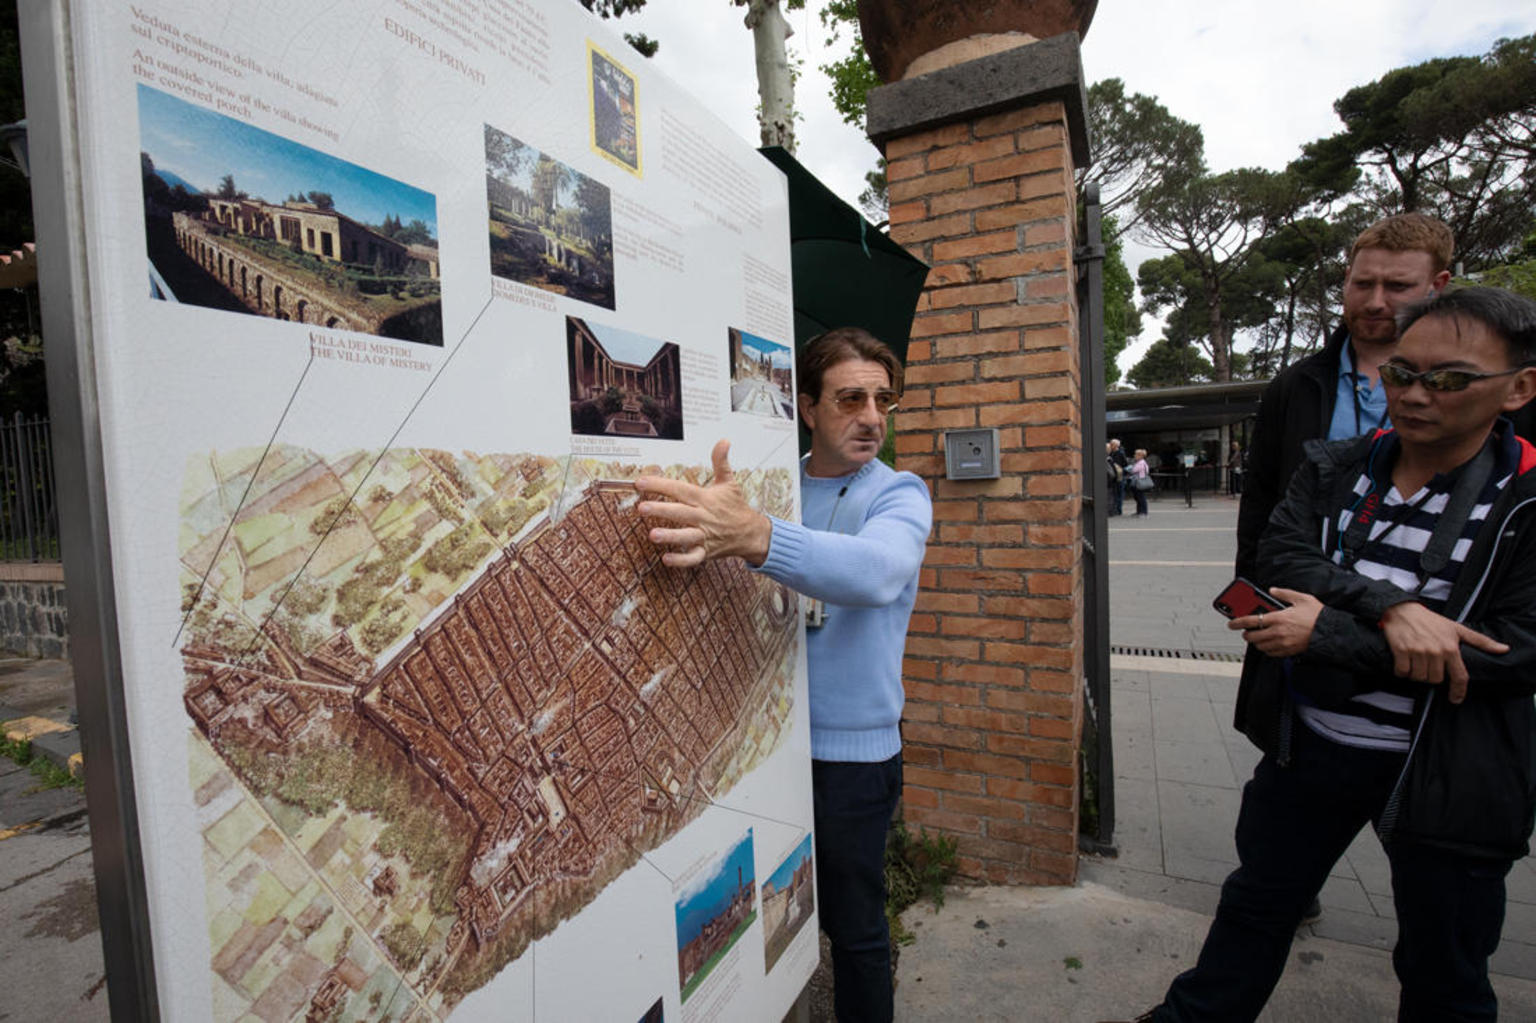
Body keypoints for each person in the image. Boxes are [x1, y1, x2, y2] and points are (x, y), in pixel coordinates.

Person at [1118, 287, 1536, 1022]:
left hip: (1447, 769)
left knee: (1445, 968)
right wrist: (1394, 609)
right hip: (1310, 746)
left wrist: (1332, 632)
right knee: (1254, 909)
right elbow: (1282, 552)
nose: (1415, 394)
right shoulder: (1340, 465)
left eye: (1449, 379)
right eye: (1402, 373)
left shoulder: (1526, 501)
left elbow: (1511, 651)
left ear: (1520, 387)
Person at [633, 327, 932, 1023]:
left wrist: (755, 535)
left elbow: (878, 571)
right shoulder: (773, 484)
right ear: (805, 406)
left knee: (855, 935)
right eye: (850, 398)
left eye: (882, 400)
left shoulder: (900, 494)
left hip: (852, 764)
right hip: (768, 749)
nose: (872, 417)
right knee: (770, 923)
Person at [1236, 213, 1454, 580]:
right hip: (1302, 599)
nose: (1375, 302)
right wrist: (1253, 597)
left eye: (1398, 286)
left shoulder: (1473, 386)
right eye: (1363, 284)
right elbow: (1260, 506)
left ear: (1438, 285)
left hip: (1420, 612)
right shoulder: (1295, 385)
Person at [1109, 438, 1129, 515]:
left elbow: (1125, 464)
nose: (1110, 446)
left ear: (1116, 445)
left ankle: (1119, 510)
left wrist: (1118, 467)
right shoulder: (1111, 453)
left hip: (1120, 476)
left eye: (1112, 444)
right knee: (1115, 493)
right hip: (1114, 476)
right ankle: (1115, 509)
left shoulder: (1120, 453)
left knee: (1119, 493)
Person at [1129, 448, 1151, 516]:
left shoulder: (1141, 463)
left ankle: (1143, 512)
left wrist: (1131, 468)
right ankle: (1139, 511)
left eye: (1136, 454)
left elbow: (1133, 470)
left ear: (1140, 456)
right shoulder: (1141, 462)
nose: (1134, 456)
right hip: (1139, 481)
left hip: (1139, 482)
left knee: (1141, 497)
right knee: (1138, 497)